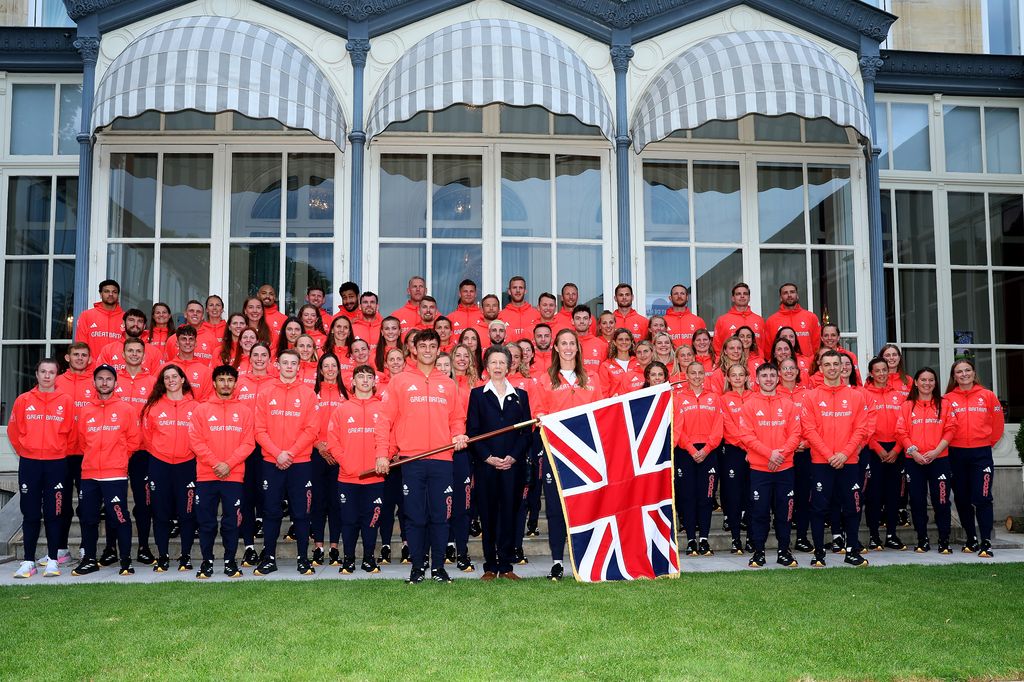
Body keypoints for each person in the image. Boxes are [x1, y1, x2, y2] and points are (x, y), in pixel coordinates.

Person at [375, 329, 468, 584]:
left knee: (440, 516)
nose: (427, 350)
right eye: (423, 345)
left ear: (439, 349)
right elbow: (385, 420)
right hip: (410, 460)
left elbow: (457, 419)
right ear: (414, 349)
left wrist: (459, 434)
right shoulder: (400, 381)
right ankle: (417, 567)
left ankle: (438, 567)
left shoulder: (448, 383)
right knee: (415, 516)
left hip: (442, 460)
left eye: (432, 346)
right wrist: (383, 453)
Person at [532, 329, 603, 580]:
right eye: (564, 343)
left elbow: (601, 413)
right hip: (556, 453)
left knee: (585, 507)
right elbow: (538, 411)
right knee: (555, 508)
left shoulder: (592, 377)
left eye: (572, 343)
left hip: (586, 453)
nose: (568, 347)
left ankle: (585, 559)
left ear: (578, 348)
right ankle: (557, 561)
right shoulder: (545, 379)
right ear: (556, 348)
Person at [253, 348, 321, 576]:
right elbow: (259, 430)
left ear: (299, 367)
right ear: (277, 365)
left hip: (300, 462)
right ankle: (269, 558)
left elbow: (312, 430)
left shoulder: (308, 393)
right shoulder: (265, 392)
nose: (290, 366)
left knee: (301, 513)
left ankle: (303, 559)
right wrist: (277, 453)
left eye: (294, 363)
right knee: (271, 512)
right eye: (285, 362)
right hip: (271, 462)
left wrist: (290, 453)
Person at [467, 346, 532, 580]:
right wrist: (488, 457)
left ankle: (506, 566)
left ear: (508, 366)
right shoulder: (477, 395)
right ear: (487, 366)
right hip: (486, 466)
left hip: (512, 466)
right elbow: (472, 432)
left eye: (501, 363)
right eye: (493, 362)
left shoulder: (521, 396)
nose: (497, 367)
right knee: (488, 514)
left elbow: (526, 432)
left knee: (509, 515)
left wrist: (513, 456)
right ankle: (490, 566)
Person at [801, 350, 871, 568]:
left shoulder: (856, 396)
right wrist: (829, 455)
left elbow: (861, 429)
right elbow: (809, 430)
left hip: (849, 461)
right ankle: (819, 553)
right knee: (819, 508)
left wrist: (844, 454)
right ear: (820, 369)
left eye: (836, 364)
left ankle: (851, 551)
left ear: (843, 368)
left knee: (852, 506)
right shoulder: (811, 397)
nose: (832, 368)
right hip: (821, 462)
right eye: (827, 364)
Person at [72, 364, 142, 577]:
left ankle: (126, 561)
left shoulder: (126, 409)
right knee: (88, 518)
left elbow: (134, 441)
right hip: (90, 474)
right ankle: (90, 559)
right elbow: (83, 442)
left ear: (115, 383)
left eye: (108, 379)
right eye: (100, 379)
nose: (104, 382)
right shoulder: (86, 410)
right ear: (94, 383)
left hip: (114, 474)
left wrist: (118, 458)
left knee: (119, 517)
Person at [8, 359, 74, 578]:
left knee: (55, 513)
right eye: (43, 372)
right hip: (30, 464)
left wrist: (58, 452)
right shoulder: (23, 400)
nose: (47, 376)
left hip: (56, 464)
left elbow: (72, 434)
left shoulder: (66, 401)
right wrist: (26, 451)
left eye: (51, 372)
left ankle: (53, 560)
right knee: (31, 513)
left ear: (57, 375)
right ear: (36, 374)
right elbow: (14, 431)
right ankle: (28, 561)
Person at [189, 364, 255, 579]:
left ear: (235, 383)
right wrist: (217, 463)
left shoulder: (244, 411)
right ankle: (207, 562)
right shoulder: (201, 410)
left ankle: (229, 561)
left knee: (231, 522)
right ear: (214, 382)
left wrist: (229, 464)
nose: (226, 383)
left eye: (229, 379)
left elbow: (248, 443)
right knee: (206, 522)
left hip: (233, 476)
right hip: (207, 475)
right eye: (221, 379)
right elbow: (196, 442)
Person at [737, 363, 801, 568]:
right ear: (757, 379)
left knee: (785, 512)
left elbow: (795, 433)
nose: (769, 379)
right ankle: (758, 552)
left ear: (778, 377)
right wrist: (769, 454)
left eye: (772, 375)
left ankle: (784, 551)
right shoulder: (749, 405)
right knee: (759, 512)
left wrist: (780, 455)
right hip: (759, 469)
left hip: (785, 468)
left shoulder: (789, 404)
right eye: (764, 375)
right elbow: (747, 436)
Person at [329, 364, 388, 574]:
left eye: (368, 377)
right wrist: (347, 463)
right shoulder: (342, 410)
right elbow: (332, 442)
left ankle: (369, 559)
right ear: (352, 382)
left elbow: (392, 439)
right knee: (349, 520)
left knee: (371, 521)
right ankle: (349, 559)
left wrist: (385, 458)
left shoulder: (383, 409)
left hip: (375, 478)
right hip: (348, 477)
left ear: (374, 382)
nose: (364, 380)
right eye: (360, 377)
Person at [943, 358, 1004, 558]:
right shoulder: (948, 399)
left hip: (981, 454)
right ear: (954, 376)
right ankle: (971, 539)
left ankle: (986, 540)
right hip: (956, 454)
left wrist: (986, 443)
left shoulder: (987, 396)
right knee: (961, 498)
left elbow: (997, 424)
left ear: (974, 372)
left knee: (983, 497)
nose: (964, 374)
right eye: (959, 372)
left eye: (967, 370)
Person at [141, 364, 199, 572]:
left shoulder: (195, 407)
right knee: (161, 513)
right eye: (167, 377)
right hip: (160, 465)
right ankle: (163, 556)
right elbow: (147, 438)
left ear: (183, 380)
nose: (171, 380)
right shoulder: (153, 407)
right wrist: (161, 453)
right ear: (162, 382)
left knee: (187, 512)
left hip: (188, 465)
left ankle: (185, 556)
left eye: (175, 376)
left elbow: (201, 436)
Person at [896, 367, 957, 554]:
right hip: (914, 461)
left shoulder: (944, 405)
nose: (927, 383)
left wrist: (936, 451)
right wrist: (914, 453)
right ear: (915, 382)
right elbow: (901, 432)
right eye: (923, 380)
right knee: (916, 501)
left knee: (941, 501)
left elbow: (951, 429)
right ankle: (922, 540)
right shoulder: (907, 406)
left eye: (931, 380)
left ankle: (944, 541)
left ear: (935, 383)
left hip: (939, 460)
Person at [110, 338, 157, 567]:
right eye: (130, 350)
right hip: (114, 450)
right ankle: (111, 547)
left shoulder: (152, 381)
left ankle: (144, 547)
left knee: (143, 502)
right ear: (123, 353)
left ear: (144, 355)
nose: (135, 354)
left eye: (139, 351)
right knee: (113, 500)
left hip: (143, 451)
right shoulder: (112, 380)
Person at [673, 361, 724, 557]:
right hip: (686, 452)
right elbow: (678, 428)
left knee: (706, 498)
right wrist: (691, 449)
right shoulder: (678, 398)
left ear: (705, 375)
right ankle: (691, 540)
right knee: (687, 497)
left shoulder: (714, 398)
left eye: (700, 373)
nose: (696, 376)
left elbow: (718, 428)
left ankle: (704, 539)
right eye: (692, 373)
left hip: (709, 453)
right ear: (687, 375)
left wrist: (707, 448)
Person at [235, 343, 276, 567]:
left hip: (267, 449)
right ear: (249, 358)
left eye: (264, 355)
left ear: (270, 360)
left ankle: (268, 550)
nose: (259, 359)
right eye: (256, 355)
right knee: (246, 498)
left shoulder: (275, 384)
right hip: (244, 449)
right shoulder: (239, 383)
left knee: (268, 499)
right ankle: (249, 547)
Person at [862, 356, 908, 551]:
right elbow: (862, 426)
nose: (881, 373)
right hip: (874, 450)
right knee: (873, 495)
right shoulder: (864, 394)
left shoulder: (900, 395)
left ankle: (891, 534)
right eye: (877, 370)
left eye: (884, 370)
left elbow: (906, 423)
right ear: (871, 373)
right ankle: (874, 536)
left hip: (896, 450)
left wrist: (897, 448)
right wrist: (877, 448)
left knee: (893, 495)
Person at [311, 353, 348, 567]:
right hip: (316, 453)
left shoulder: (347, 394)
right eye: (326, 366)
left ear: (339, 369)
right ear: (321, 370)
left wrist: (333, 448)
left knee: (336, 503)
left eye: (334, 365)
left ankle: (334, 547)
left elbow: (348, 427)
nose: (330, 369)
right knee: (318, 502)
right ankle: (318, 547)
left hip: (338, 455)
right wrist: (318, 445)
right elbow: (307, 423)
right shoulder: (312, 394)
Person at [719, 363, 752, 554]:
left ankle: (750, 539)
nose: (738, 378)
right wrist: (745, 444)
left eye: (741, 375)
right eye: (734, 375)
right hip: (733, 451)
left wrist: (752, 446)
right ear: (729, 379)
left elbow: (756, 424)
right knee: (733, 496)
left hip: (754, 451)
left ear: (747, 377)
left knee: (751, 495)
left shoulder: (755, 397)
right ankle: (735, 539)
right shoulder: (723, 399)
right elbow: (728, 427)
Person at [96, 308, 163, 374]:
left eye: (140, 321)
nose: (135, 324)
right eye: (131, 320)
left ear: (144, 326)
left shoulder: (155, 353)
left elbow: (157, 381)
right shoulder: (108, 350)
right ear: (123, 323)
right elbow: (101, 378)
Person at [765, 283, 821, 358]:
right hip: (781, 366)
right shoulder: (771, 320)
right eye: (785, 293)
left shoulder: (811, 317)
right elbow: (768, 349)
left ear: (797, 296)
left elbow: (817, 345)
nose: (789, 295)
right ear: (780, 298)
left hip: (807, 365)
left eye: (792, 292)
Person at [713, 283, 767, 357]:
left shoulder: (759, 320)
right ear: (733, 298)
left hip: (755, 365)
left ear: (749, 297)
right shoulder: (722, 320)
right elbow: (717, 347)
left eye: (745, 293)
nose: (742, 296)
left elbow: (764, 346)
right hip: (730, 365)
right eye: (738, 294)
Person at [75, 279, 125, 358]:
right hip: (93, 367)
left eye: (114, 292)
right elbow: (81, 345)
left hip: (118, 367)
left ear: (118, 295)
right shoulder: (86, 315)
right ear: (100, 294)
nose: (111, 294)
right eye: (106, 291)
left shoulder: (125, 318)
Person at [165, 300, 218, 364]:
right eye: (191, 311)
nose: (195, 314)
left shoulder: (212, 339)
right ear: (185, 314)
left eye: (198, 312)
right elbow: (167, 366)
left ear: (203, 316)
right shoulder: (173, 339)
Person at [498, 276, 540, 342]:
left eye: (521, 288)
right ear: (509, 291)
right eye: (514, 288)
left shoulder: (536, 314)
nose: (518, 290)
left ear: (525, 291)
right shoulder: (501, 315)